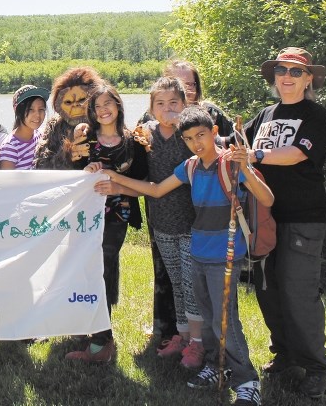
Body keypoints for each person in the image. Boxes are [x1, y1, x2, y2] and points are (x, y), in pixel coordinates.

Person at [90, 105, 273, 405]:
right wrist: (116, 179)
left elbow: (267, 197)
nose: (196, 143)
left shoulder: (232, 164)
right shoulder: (190, 166)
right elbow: (157, 189)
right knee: (210, 315)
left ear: (214, 132)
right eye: (189, 138)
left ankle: (247, 380)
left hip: (225, 255)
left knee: (225, 319)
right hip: (198, 251)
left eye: (201, 135)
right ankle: (216, 366)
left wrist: (248, 169)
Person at [237, 47, 326, 399]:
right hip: (263, 219)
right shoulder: (264, 115)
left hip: (302, 219)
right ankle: (286, 355)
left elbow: (296, 154)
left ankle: (317, 368)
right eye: (281, 70)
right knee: (268, 290)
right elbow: (236, 144)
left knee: (297, 292)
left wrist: (256, 155)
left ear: (309, 78)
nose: (287, 77)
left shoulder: (315, 115)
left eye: (295, 71)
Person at [65, 85, 148, 363]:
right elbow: (72, 181)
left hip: (117, 215)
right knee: (84, 270)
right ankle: (84, 328)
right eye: (97, 106)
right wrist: (85, 172)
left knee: (103, 267)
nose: (103, 110)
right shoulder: (84, 141)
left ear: (119, 105)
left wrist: (117, 187)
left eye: (108, 103)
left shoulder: (133, 142)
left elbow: (145, 187)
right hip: (85, 217)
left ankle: (102, 341)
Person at [138, 77, 205, 368]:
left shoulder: (190, 136)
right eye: (160, 104)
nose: (168, 109)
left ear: (185, 104)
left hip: (194, 222)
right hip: (161, 222)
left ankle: (199, 343)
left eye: (174, 103)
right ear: (152, 108)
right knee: (176, 282)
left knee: (192, 285)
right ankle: (182, 334)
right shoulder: (144, 136)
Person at [34, 66, 105, 170]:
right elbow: (41, 165)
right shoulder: (55, 126)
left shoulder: (105, 120)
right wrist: (66, 155)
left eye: (82, 100)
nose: (75, 106)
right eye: (68, 102)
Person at [164, 59, 234, 136]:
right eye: (177, 85)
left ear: (196, 87)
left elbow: (235, 141)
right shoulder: (155, 117)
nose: (183, 90)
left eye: (189, 84)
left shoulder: (212, 114)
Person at [0, 85, 50, 170]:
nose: (37, 115)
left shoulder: (41, 135)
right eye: (30, 109)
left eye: (41, 109)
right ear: (18, 112)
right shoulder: (10, 147)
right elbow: (7, 182)